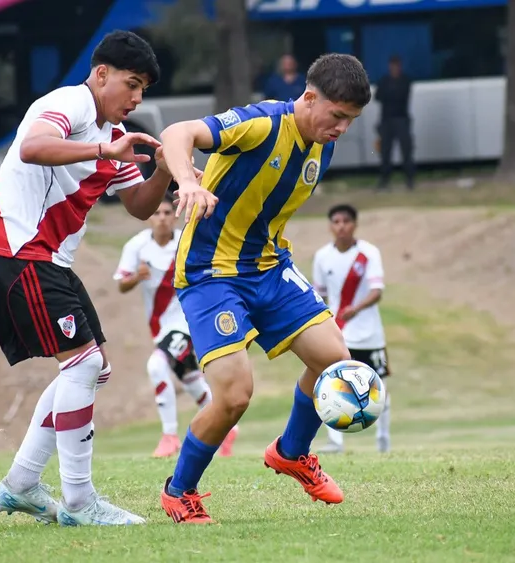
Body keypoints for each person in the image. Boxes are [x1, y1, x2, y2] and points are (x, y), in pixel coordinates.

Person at [157, 53, 372, 524]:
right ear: (309, 98)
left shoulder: (321, 143)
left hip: (270, 267)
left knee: (336, 362)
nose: (341, 129)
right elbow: (179, 134)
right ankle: (179, 490)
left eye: (351, 121)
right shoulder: (262, 123)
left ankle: (292, 452)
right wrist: (188, 179)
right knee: (234, 395)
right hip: (210, 271)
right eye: (337, 116)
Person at [0, 30, 175, 526]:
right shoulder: (71, 102)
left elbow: (139, 207)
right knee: (83, 366)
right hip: (17, 251)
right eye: (131, 84)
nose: (137, 97)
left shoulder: (112, 136)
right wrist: (107, 153)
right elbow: (34, 148)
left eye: (144, 88)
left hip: (43, 260)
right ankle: (80, 503)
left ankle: (21, 484)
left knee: (92, 367)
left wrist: (165, 170)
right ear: (100, 74)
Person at [114, 197, 239, 458]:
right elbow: (121, 285)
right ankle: (229, 429)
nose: (161, 217)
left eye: (167, 212)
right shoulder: (136, 246)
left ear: (174, 215)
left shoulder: (187, 240)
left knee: (157, 366)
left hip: (189, 320)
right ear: (150, 217)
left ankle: (170, 436)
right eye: (156, 212)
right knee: (191, 380)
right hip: (161, 326)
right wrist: (138, 276)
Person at [311, 204, 391, 454]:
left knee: (380, 386)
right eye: (336, 221)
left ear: (354, 224)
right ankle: (335, 442)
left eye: (346, 221)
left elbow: (377, 291)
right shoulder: (322, 256)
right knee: (333, 385)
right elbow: (320, 295)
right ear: (330, 226)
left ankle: (383, 440)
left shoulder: (368, 253)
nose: (341, 226)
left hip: (369, 334)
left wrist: (356, 308)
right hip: (339, 332)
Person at [375, 55, 414, 190]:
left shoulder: (405, 81)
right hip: (386, 120)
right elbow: (378, 96)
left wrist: (390, 94)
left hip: (401, 119)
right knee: (385, 152)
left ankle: (409, 179)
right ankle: (384, 180)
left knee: (406, 151)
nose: (395, 69)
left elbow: (402, 96)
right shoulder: (384, 81)